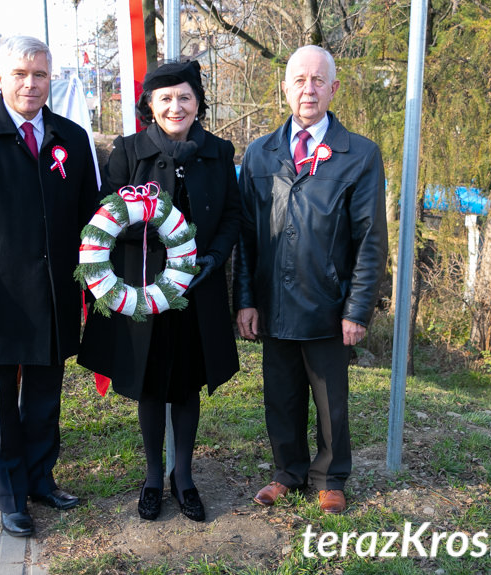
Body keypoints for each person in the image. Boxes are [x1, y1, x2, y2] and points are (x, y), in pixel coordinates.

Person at [0, 35, 98, 538]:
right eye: (21, 74)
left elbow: (91, 218)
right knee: (1, 403)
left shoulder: (70, 137)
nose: (31, 84)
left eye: (41, 75)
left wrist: (95, 284)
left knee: (46, 397)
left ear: (53, 79)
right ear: (0, 77)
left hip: (54, 294)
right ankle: (11, 497)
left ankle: (40, 479)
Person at [78, 60, 241, 522]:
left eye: (185, 97)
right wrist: (159, 231)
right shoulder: (128, 151)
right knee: (151, 384)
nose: (176, 106)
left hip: (196, 291)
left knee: (186, 384)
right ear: (151, 105)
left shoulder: (218, 151)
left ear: (198, 103)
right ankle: (153, 475)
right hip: (145, 286)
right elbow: (106, 215)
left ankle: (183, 476)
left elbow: (231, 216)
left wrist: (210, 258)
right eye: (165, 98)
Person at [233, 45, 388, 515]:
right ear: (284, 88)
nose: (308, 89)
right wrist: (245, 299)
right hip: (273, 301)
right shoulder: (260, 153)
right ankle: (288, 472)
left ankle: (330, 477)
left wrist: (357, 310)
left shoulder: (358, 154)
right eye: (299, 80)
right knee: (279, 396)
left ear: (333, 88)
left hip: (327, 303)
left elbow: (371, 241)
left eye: (318, 80)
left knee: (330, 402)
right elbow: (245, 236)